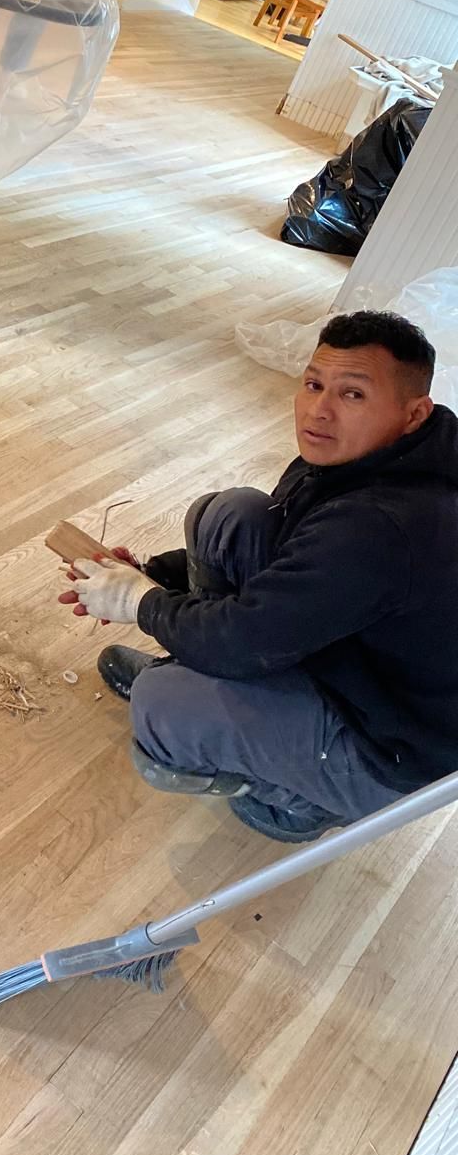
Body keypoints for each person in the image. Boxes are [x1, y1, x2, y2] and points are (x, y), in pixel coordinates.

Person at [59, 312, 458, 843]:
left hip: (386, 745)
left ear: (414, 413)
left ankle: (305, 801)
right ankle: (210, 668)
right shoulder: (371, 457)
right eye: (315, 384)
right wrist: (148, 575)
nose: (320, 410)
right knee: (231, 515)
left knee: (164, 706)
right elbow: (300, 562)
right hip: (358, 651)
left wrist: (143, 604)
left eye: (353, 395)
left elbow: (245, 637)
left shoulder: (384, 523)